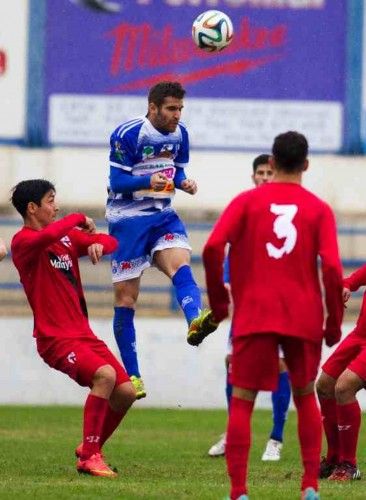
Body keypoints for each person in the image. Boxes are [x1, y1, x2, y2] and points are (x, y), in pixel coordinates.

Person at [202, 131, 344, 500]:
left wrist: (219, 305)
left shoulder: (247, 202)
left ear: (273, 164)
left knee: (243, 400)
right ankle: (310, 487)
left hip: (255, 314)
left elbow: (213, 246)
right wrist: (332, 323)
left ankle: (239, 492)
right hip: (304, 315)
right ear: (306, 166)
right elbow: (331, 267)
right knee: (305, 395)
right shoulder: (318, 209)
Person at [11, 179, 136, 477]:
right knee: (104, 377)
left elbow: (112, 243)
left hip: (84, 335)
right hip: (55, 339)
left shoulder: (65, 240)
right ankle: (89, 457)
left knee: (127, 392)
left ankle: (89, 448)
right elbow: (53, 232)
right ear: (32, 208)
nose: (55, 206)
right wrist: (79, 219)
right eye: (51, 200)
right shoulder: (23, 242)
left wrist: (95, 242)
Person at [106, 81, 218, 399]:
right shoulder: (128, 133)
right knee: (126, 299)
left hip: (162, 216)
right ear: (152, 107)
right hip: (127, 222)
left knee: (180, 262)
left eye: (180, 109)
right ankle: (133, 374)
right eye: (171, 109)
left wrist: (184, 183)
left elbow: (177, 170)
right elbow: (116, 180)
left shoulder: (180, 135)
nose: (177, 115)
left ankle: (194, 319)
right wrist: (147, 180)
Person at [208, 155, 292, 461]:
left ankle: (276, 438)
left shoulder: (286, 210)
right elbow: (229, 250)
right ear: (253, 176)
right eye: (261, 172)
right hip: (248, 306)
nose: (266, 177)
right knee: (234, 363)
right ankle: (234, 433)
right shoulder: (245, 208)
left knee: (282, 367)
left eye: (271, 172)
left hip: (281, 304)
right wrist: (227, 283)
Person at [316, 264, 366, 481]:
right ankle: (334, 458)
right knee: (324, 385)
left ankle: (349, 465)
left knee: (344, 387)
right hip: (359, 335)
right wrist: (345, 286)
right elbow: (353, 279)